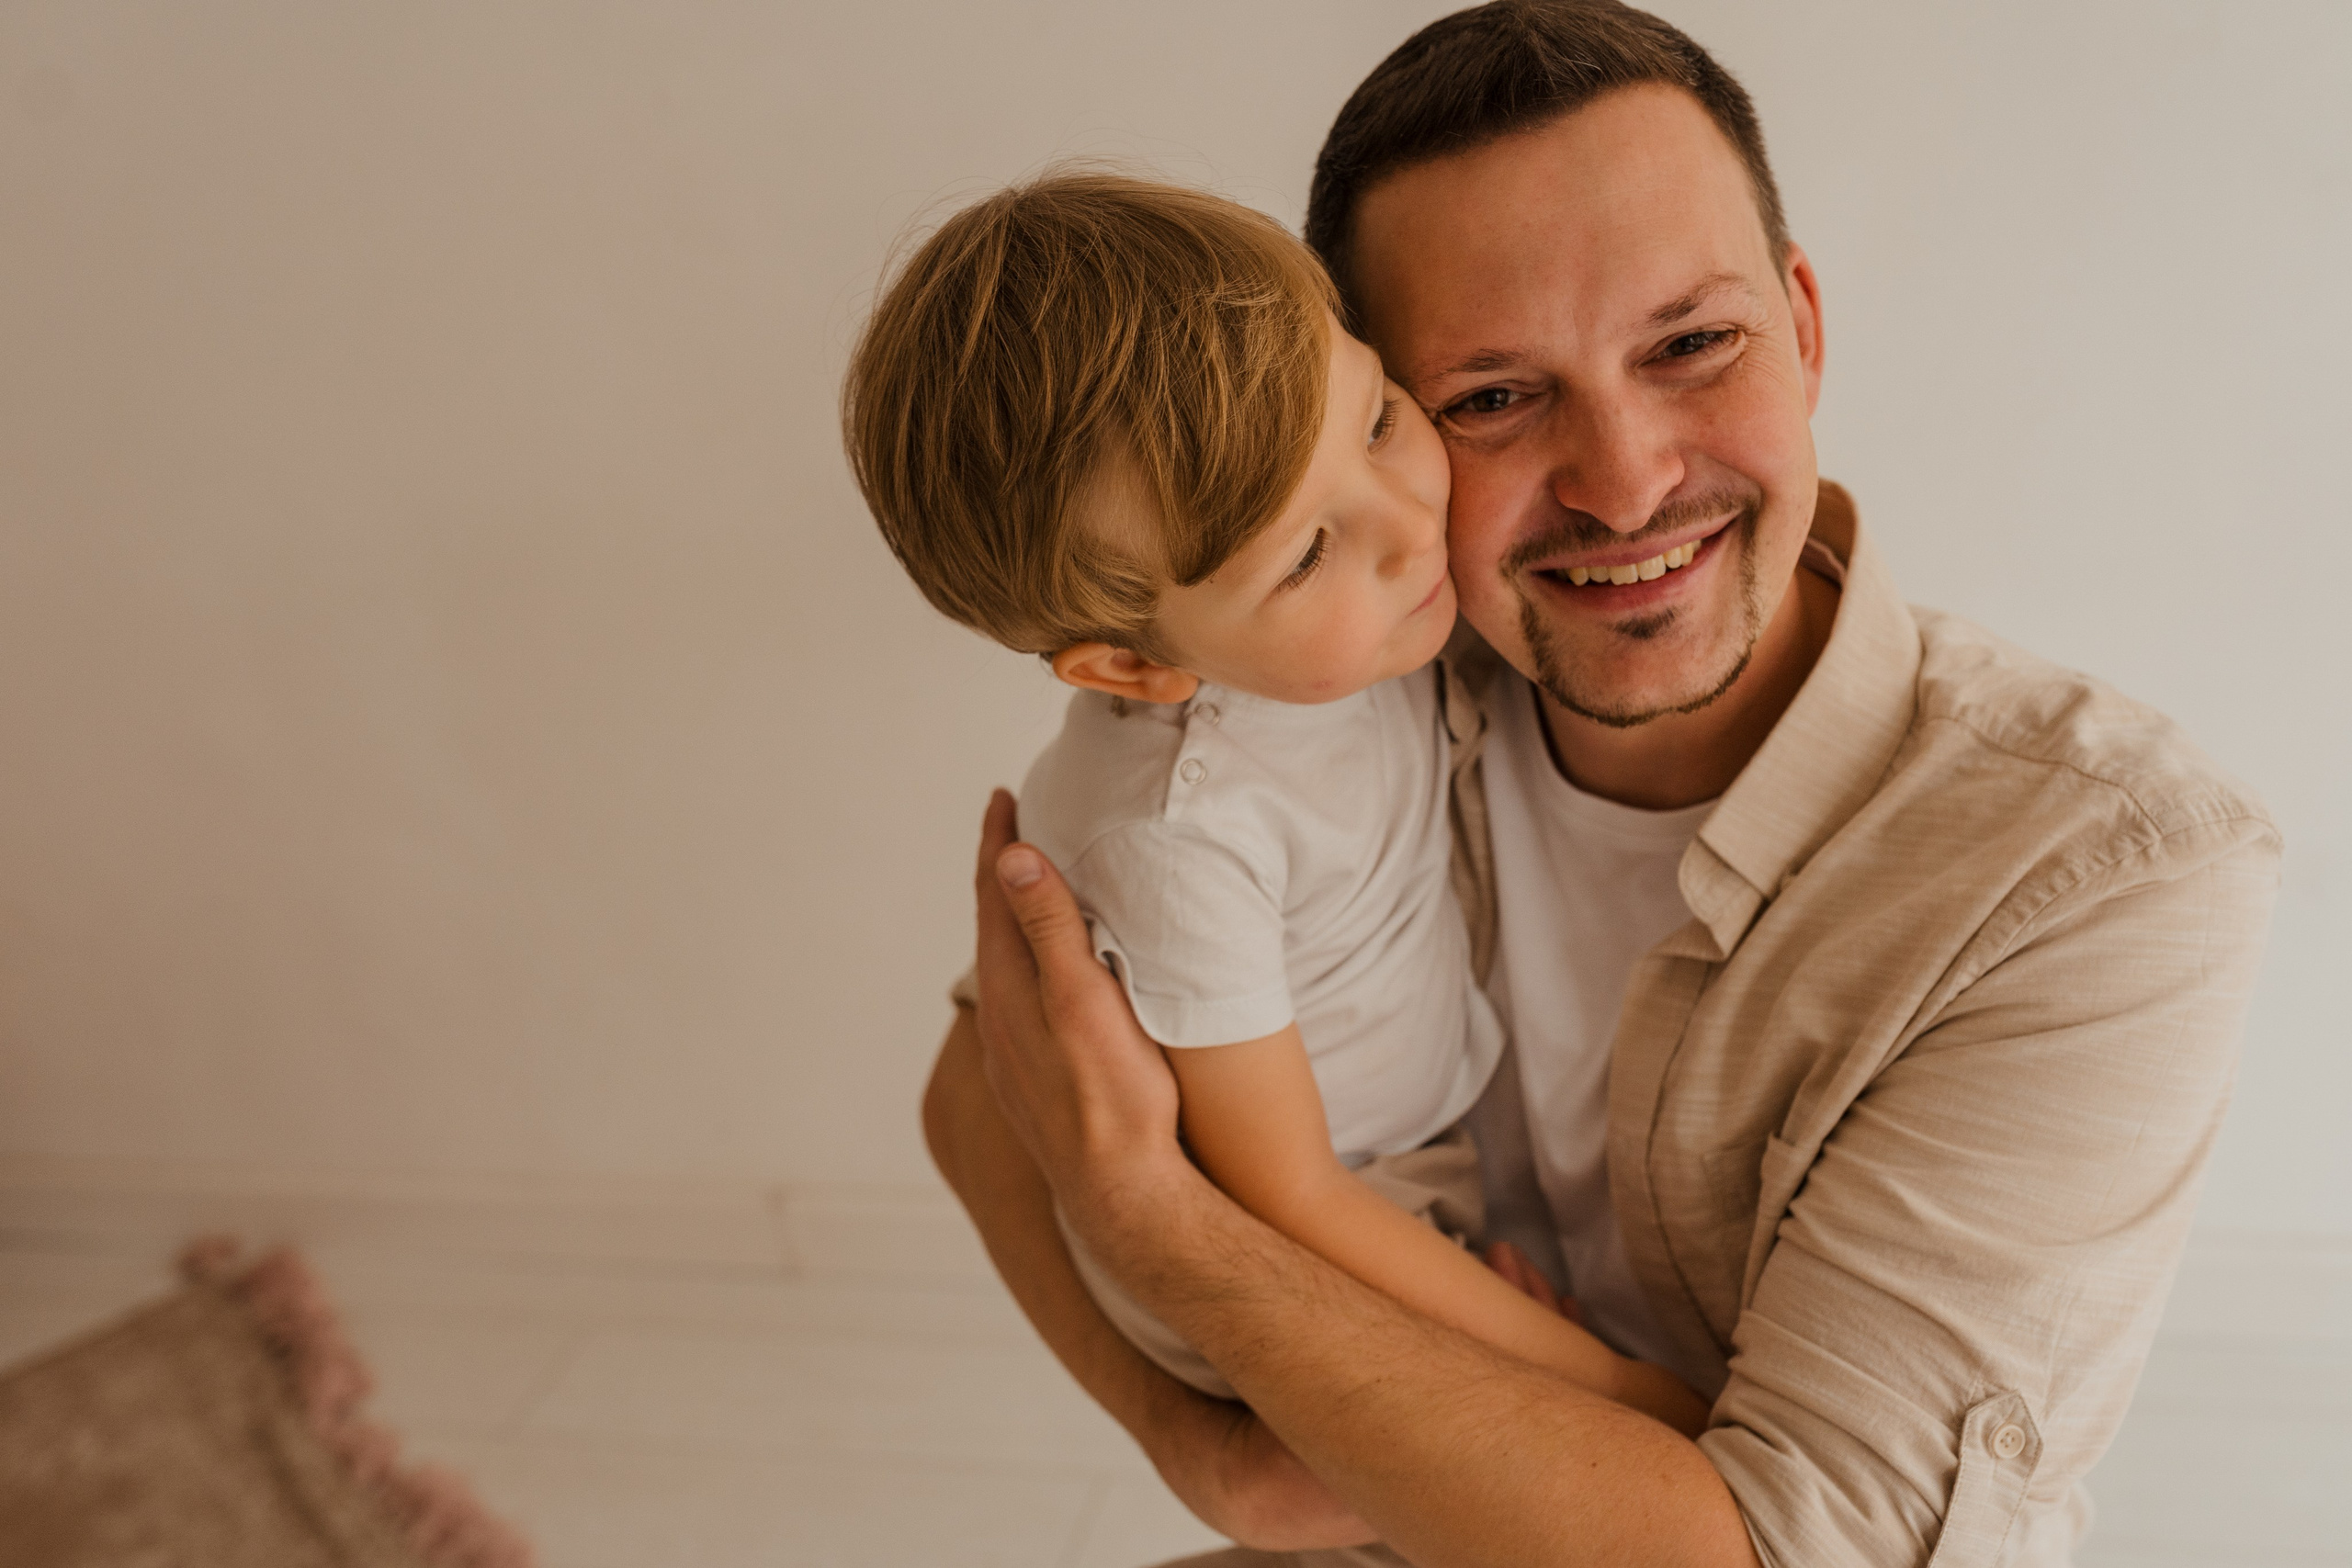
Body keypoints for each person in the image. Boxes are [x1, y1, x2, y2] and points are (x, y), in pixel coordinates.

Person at [924, 3, 2281, 1564]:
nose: (1627, 480)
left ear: (1806, 327)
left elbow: (1784, 1554)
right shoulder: (1336, 677)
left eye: (1692, 344)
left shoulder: (2108, 871)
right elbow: (983, 1087)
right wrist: (1208, 1459)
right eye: (1492, 396)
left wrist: (1172, 1235)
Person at [842, 174, 1707, 1434]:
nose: (1411, 527)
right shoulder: (1183, 840)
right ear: (1134, 667)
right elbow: (1284, 1197)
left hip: (1399, 1163)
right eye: (1304, 554)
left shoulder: (1347, 636)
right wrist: (1611, 1388)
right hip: (1279, 1231)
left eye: (1373, 421)